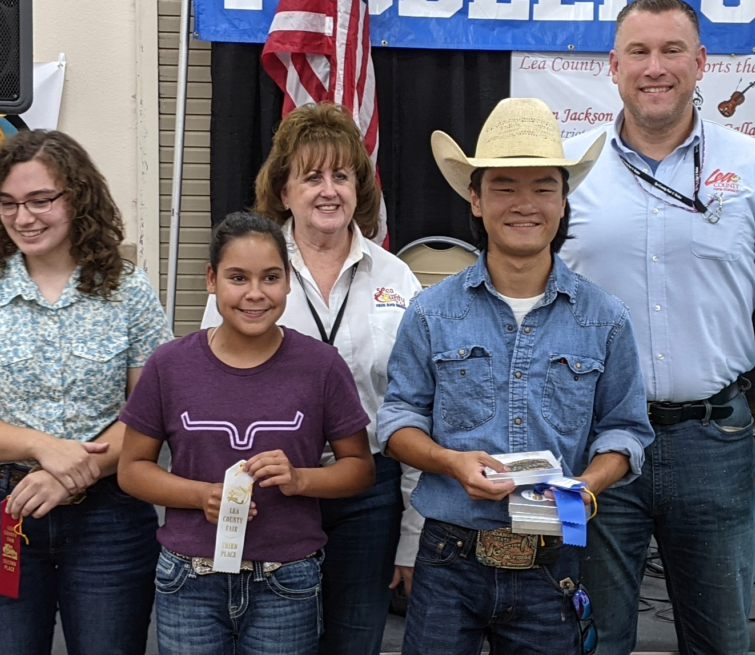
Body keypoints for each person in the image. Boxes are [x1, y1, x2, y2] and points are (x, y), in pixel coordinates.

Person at [560, 2, 755, 653]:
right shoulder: (568, 171)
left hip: (713, 443)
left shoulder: (754, 169)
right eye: (638, 51)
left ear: (701, 64)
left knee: (719, 640)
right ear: (613, 65)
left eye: (671, 50)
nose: (654, 67)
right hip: (596, 446)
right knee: (590, 639)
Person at [377, 97, 655, 655]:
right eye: (504, 186)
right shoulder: (431, 313)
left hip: (554, 561)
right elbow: (397, 422)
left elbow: (626, 432)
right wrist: (450, 462)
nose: (524, 204)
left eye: (542, 187)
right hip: (448, 559)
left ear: (563, 199)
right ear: (475, 200)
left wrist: (585, 487)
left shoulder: (605, 318)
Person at [0, 129, 172, 655]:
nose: (24, 217)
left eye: (41, 200)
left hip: (109, 512)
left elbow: (151, 413)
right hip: (1, 511)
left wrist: (70, 476)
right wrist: (44, 448)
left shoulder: (129, 290)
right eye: (9, 203)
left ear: (77, 198)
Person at [200, 102, 425, 655]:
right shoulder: (249, 272)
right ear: (283, 191)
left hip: (370, 493)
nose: (329, 191)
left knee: (355, 641)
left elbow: (421, 406)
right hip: (269, 489)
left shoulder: (397, 277)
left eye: (342, 176)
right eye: (312, 176)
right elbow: (210, 382)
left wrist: (413, 538)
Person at [118, 211, 376, 655]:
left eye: (271, 277)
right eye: (238, 278)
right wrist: (202, 496)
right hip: (189, 576)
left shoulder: (320, 365)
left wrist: (301, 479)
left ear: (289, 282)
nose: (255, 294)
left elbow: (360, 469)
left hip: (288, 576)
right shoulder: (169, 365)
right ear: (211, 280)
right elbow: (132, 470)